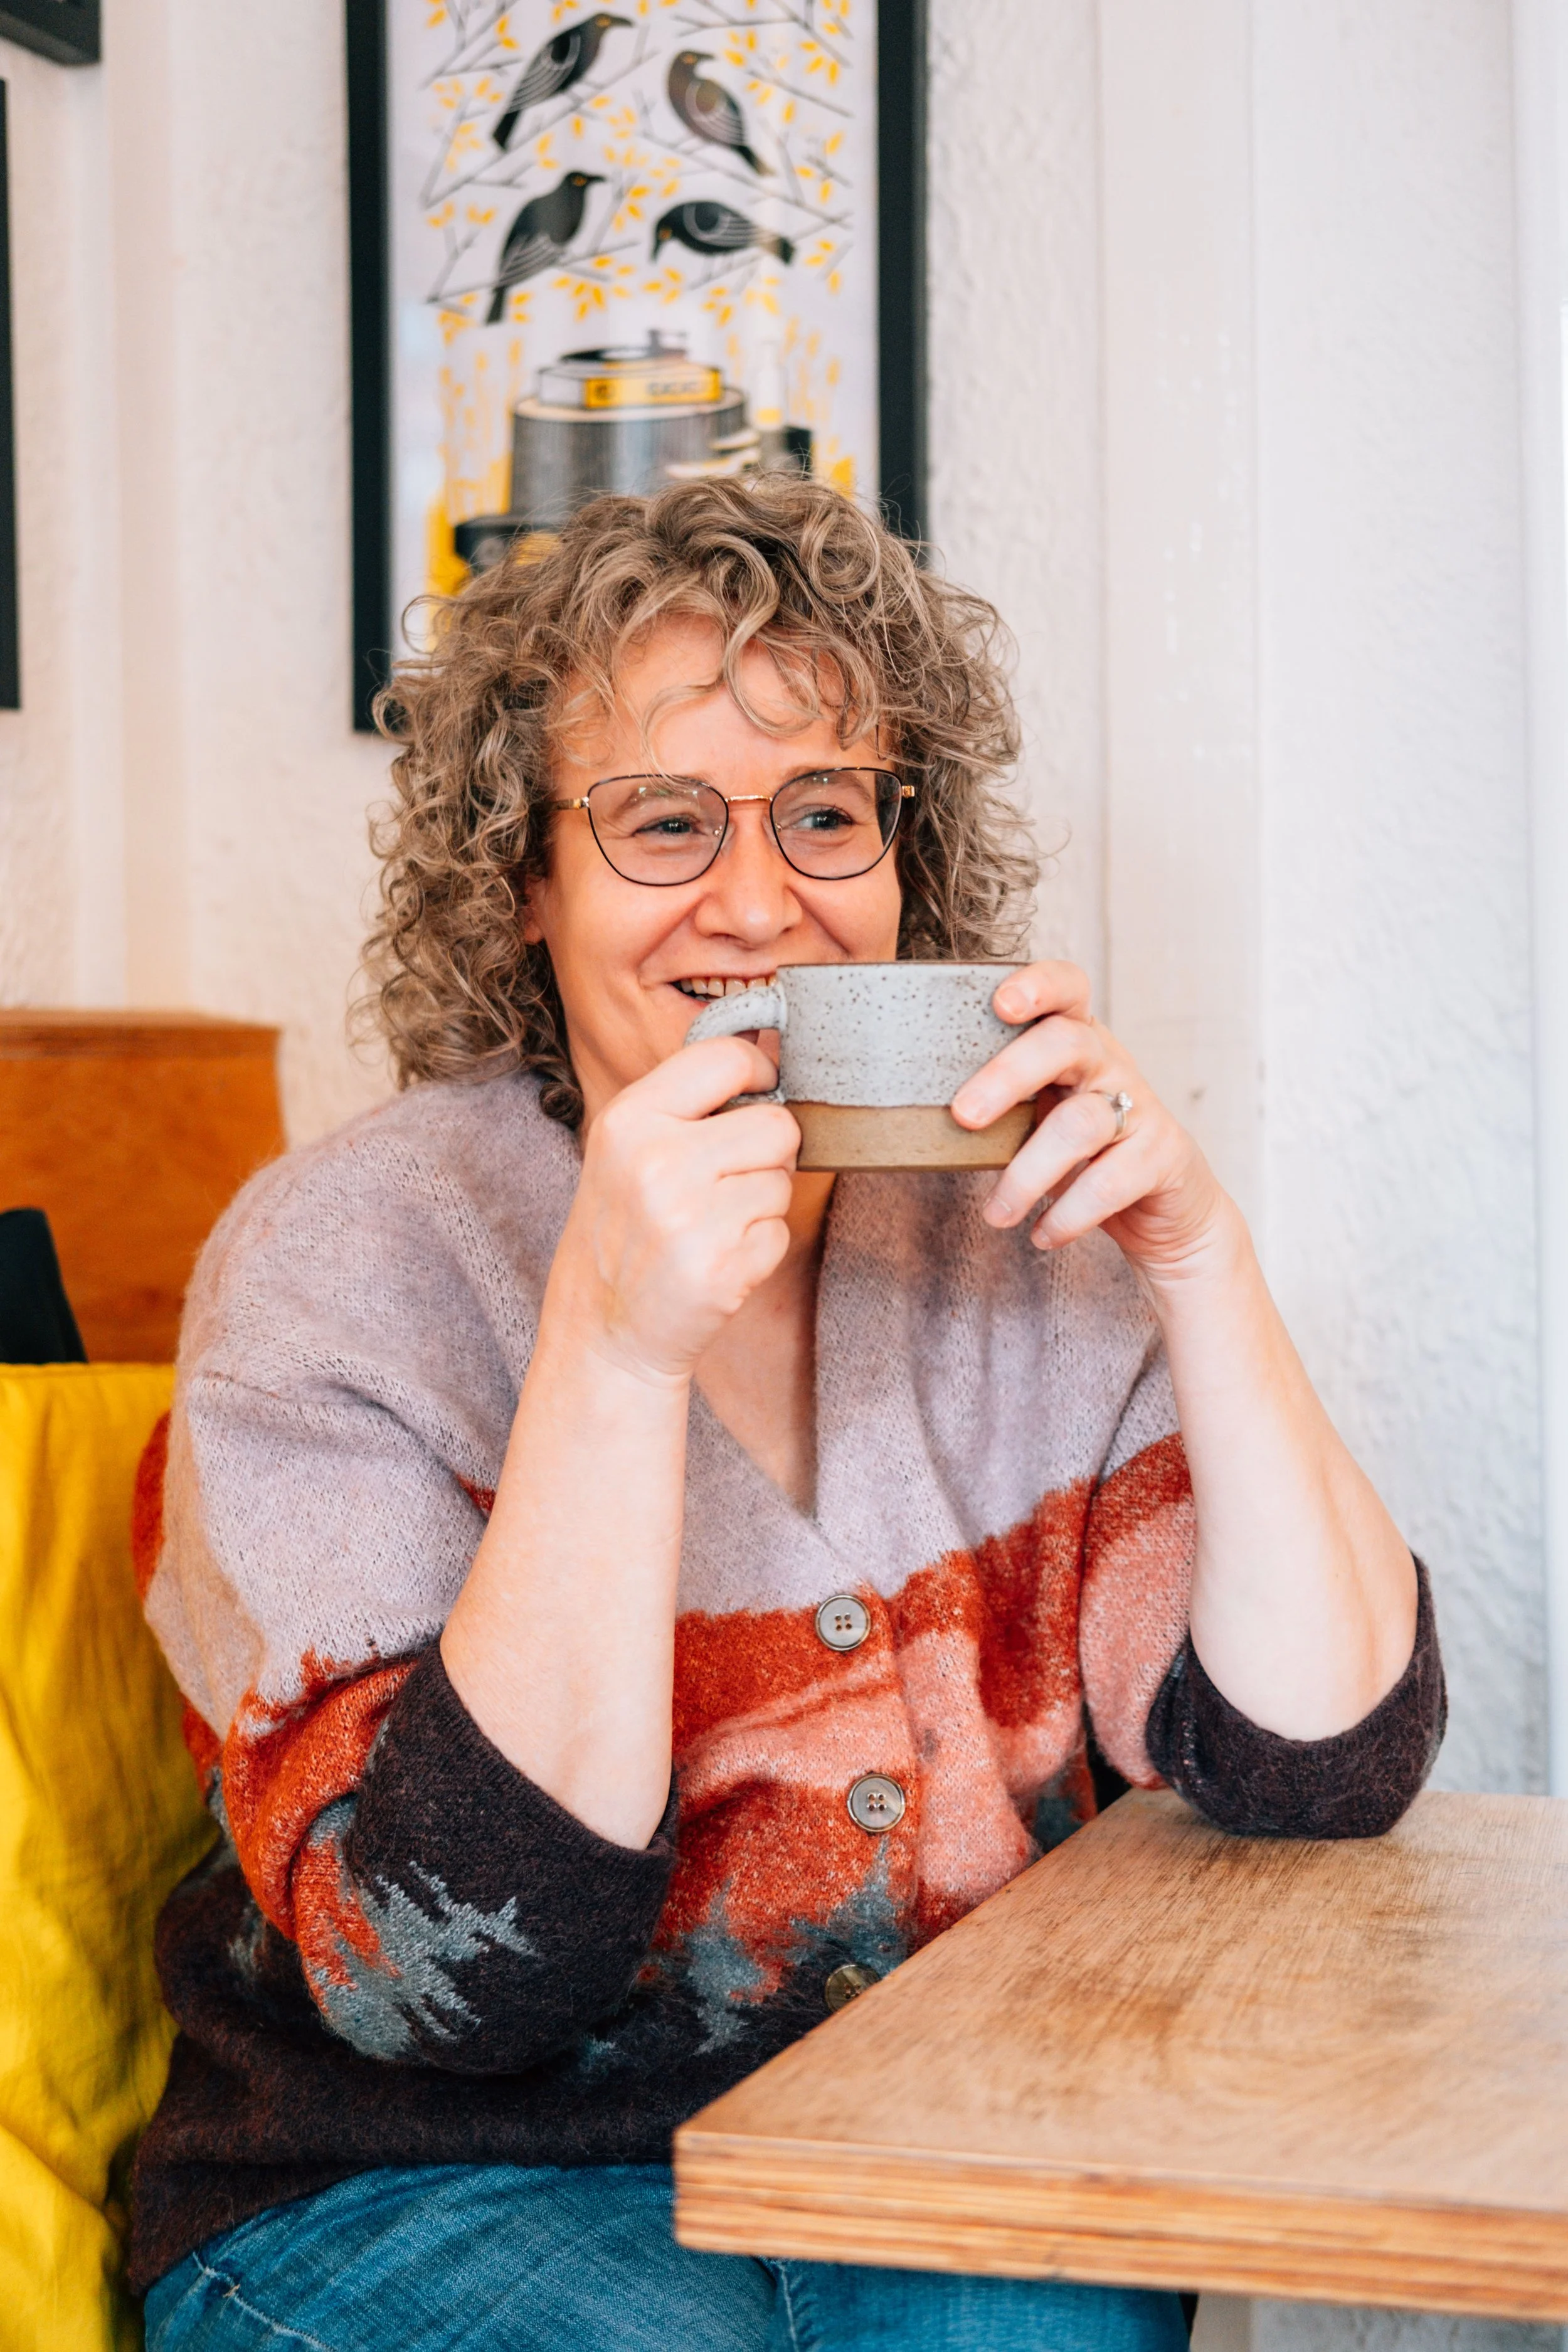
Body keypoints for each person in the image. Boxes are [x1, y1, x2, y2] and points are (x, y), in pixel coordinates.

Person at [132, 477, 1444, 2351]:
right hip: (412, 2180)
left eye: (826, 812)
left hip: (935, 2155)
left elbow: (1318, 1771)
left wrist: (1194, 1252)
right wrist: (612, 1337)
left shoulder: (1024, 1236)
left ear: (905, 856)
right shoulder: (340, 1266)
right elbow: (443, 1980)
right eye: (663, 821)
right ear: (528, 877)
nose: (759, 900)